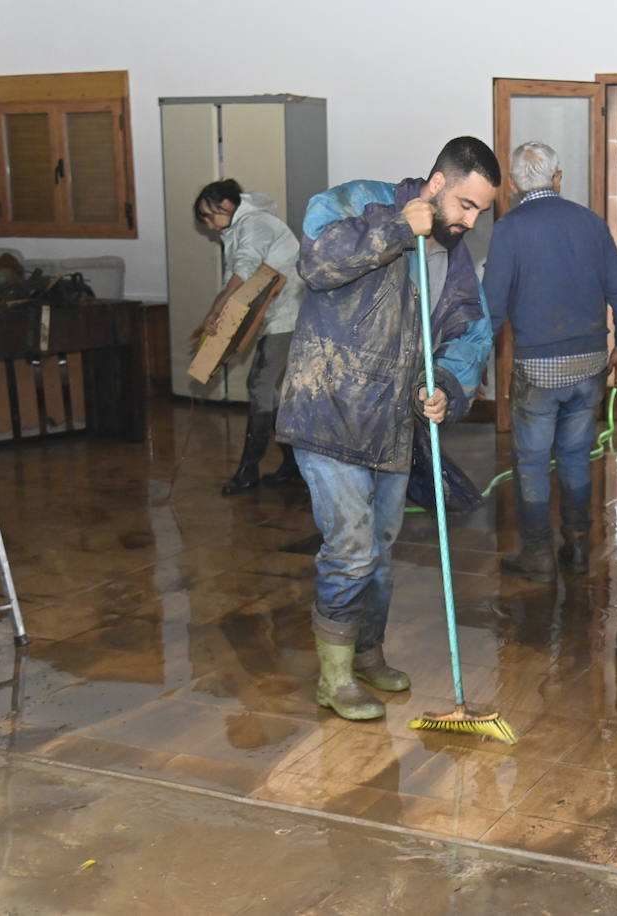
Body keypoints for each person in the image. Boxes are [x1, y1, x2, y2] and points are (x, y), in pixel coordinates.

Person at [276, 137, 498, 721]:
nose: (470, 221)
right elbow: (317, 264)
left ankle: (367, 652)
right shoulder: (352, 203)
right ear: (437, 183)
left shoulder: (453, 256)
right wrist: (399, 228)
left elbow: (471, 333)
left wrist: (446, 387)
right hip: (329, 409)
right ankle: (335, 678)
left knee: (379, 549)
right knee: (349, 549)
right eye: (466, 206)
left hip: (394, 422)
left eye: (480, 212)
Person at [483, 141, 617, 582]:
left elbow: (492, 309)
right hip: (589, 365)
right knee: (575, 454)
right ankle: (578, 545)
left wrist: (474, 365)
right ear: (558, 178)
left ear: (511, 185)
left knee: (531, 460)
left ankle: (537, 553)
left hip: (537, 369)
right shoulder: (591, 223)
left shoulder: (509, 230)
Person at [192, 180, 304, 495]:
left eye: (209, 216)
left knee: (260, 385)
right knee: (267, 391)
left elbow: (243, 272)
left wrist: (216, 312)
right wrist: (218, 310)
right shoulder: (239, 227)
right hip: (273, 314)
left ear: (226, 207)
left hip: (288, 314)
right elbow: (235, 277)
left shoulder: (255, 224)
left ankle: (249, 470)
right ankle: (293, 463)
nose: (209, 225)